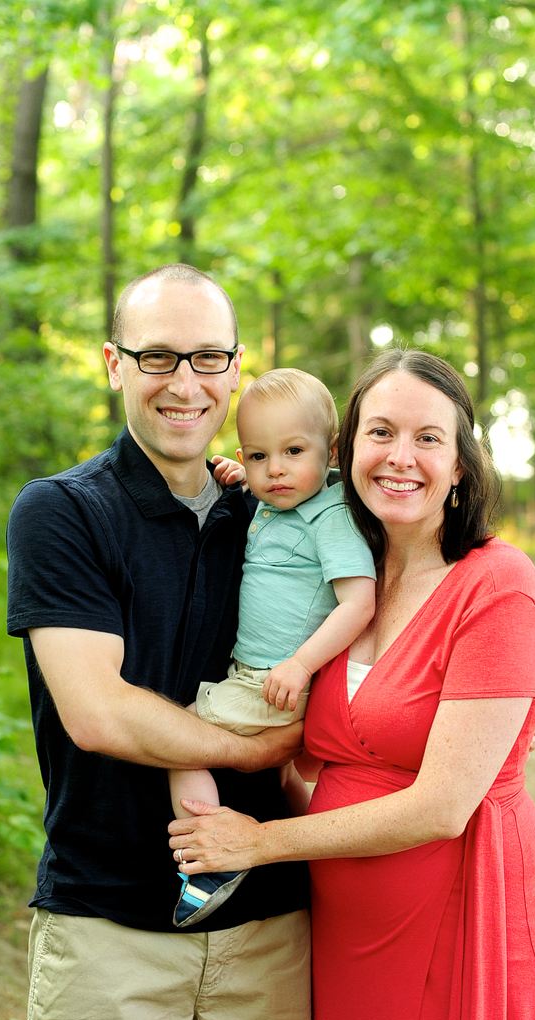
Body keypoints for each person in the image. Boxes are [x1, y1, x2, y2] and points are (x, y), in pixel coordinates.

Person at [170, 350, 535, 1020]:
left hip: (464, 924)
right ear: (346, 448)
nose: (401, 455)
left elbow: (441, 806)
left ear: (460, 464)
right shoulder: (343, 576)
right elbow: (323, 755)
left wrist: (259, 840)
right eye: (382, 431)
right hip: (348, 936)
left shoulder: (497, 589)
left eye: (427, 437)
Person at [6, 264, 314, 1020]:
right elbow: (96, 712)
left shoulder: (274, 508)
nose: (185, 381)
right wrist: (255, 748)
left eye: (208, 356)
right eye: (157, 356)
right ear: (113, 364)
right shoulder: (62, 511)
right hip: (108, 911)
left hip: (263, 909)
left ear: (235, 368)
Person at [168, 368, 376, 927]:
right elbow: (262, 491)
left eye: (292, 451)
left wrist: (302, 664)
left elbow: (359, 603)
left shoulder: (331, 515)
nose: (275, 470)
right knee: (283, 779)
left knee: (177, 741)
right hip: (263, 676)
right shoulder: (272, 499)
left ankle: (207, 860)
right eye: (258, 456)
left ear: (331, 452)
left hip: (278, 679)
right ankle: (331, 862)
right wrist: (242, 478)